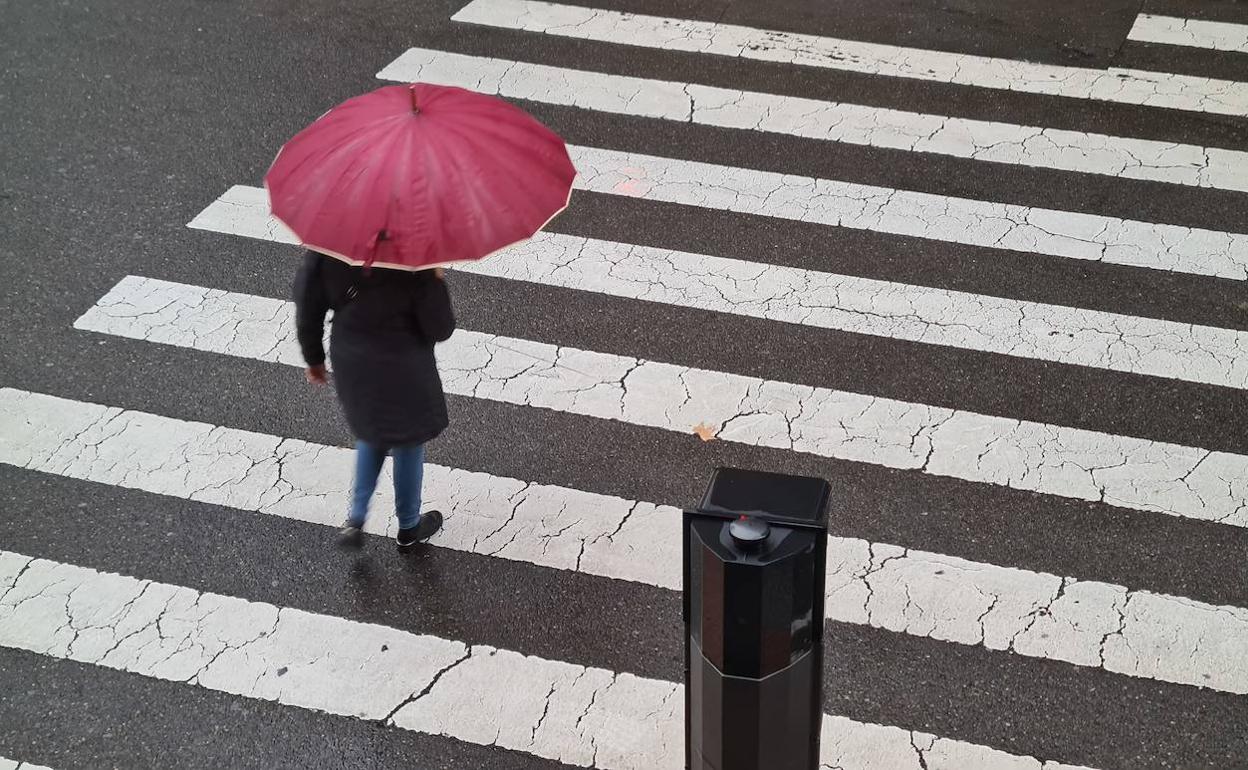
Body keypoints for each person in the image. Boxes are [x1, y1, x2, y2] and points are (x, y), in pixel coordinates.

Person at [293, 249, 455, 549]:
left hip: (353, 357)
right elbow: (440, 327)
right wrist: (435, 279)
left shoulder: (333, 243)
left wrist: (314, 358)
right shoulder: (415, 251)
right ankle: (409, 526)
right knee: (409, 440)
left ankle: (356, 518)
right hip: (405, 363)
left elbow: (308, 301)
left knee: (371, 431)